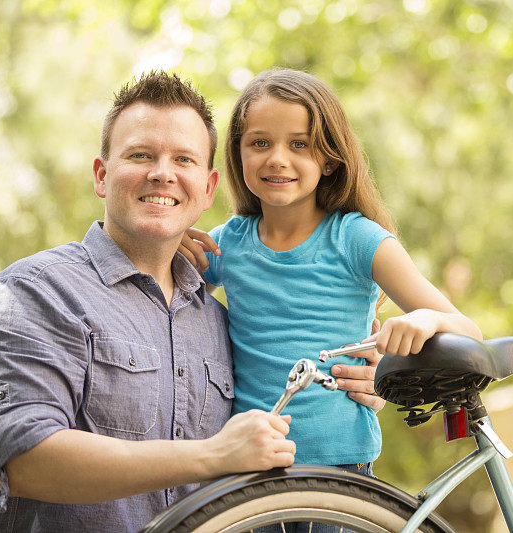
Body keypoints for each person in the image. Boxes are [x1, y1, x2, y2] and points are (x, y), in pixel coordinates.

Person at [0, 71, 383, 533]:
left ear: (207, 189)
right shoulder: (34, 293)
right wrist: (211, 454)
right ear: (102, 176)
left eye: (183, 159)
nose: (162, 172)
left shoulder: (216, 320)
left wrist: (358, 385)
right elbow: (24, 462)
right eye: (140, 155)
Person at [180, 68, 482, 491]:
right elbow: (168, 301)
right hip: (251, 466)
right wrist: (172, 244)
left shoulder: (358, 239)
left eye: (299, 144)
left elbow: (468, 330)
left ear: (329, 158)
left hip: (341, 470)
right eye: (259, 143)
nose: (277, 158)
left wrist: (425, 321)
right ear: (238, 153)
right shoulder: (226, 244)